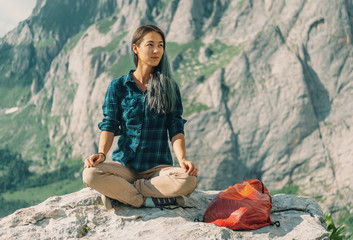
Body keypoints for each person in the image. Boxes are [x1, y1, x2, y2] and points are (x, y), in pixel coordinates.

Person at [82, 25, 198, 210]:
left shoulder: (169, 86)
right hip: (125, 167)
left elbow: (175, 127)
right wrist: (102, 153)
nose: (156, 50)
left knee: (188, 180)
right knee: (90, 174)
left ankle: (125, 195)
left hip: (158, 170)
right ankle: (146, 200)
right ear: (135, 48)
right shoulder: (118, 86)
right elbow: (109, 124)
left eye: (160, 45)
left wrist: (183, 160)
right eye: (150, 44)